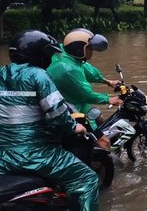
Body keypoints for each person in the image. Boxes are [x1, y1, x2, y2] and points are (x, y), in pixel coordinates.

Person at [0, 30, 99, 210]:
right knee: (88, 179)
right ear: (40, 55)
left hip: (4, 155)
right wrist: (74, 127)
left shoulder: (2, 73)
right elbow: (57, 114)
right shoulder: (39, 75)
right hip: (36, 155)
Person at [47, 29, 123, 126]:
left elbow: (88, 70)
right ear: (78, 48)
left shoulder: (67, 53)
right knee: (101, 138)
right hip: (67, 104)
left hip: (74, 99)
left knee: (99, 118)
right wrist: (109, 99)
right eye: (90, 48)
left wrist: (108, 82)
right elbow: (85, 95)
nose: (92, 52)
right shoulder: (68, 69)